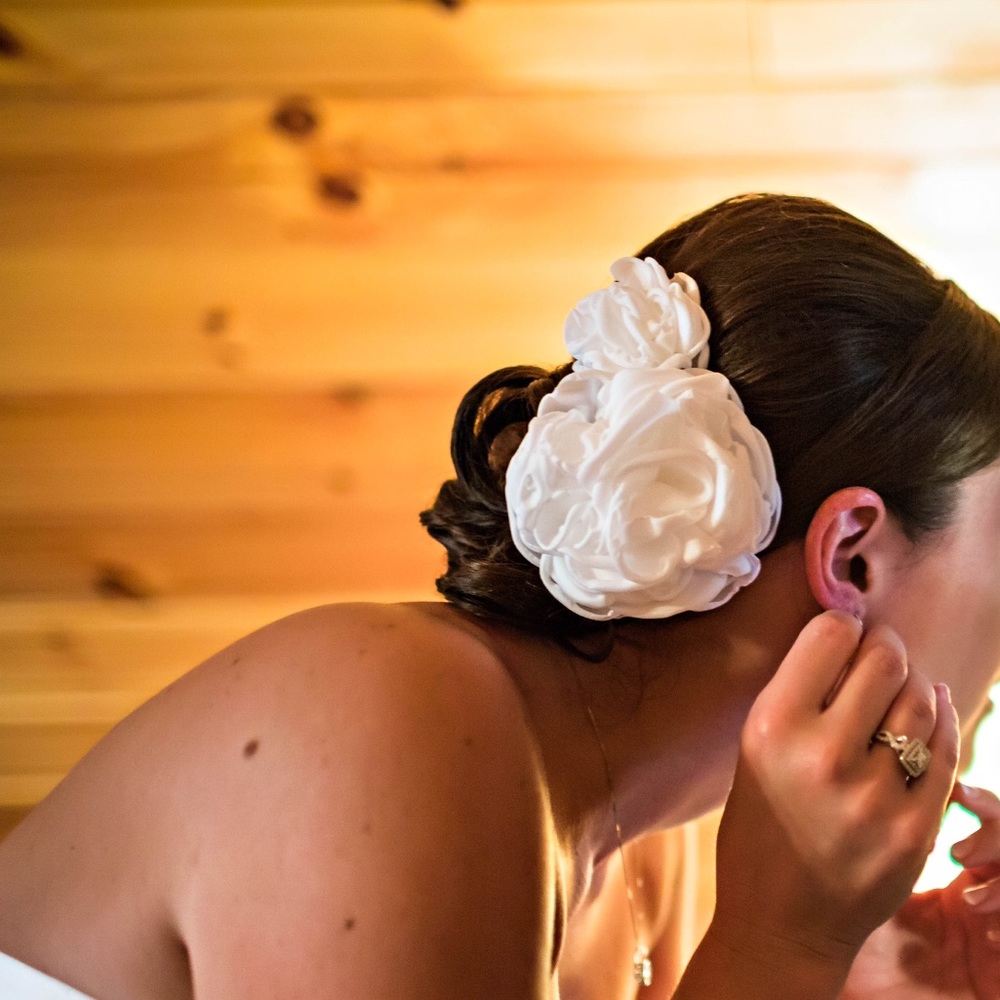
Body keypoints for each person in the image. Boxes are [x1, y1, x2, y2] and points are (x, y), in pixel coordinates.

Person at [0, 192, 999, 1000]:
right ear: (852, 556)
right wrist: (782, 950)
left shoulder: (665, 867)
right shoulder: (394, 718)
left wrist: (853, 983)